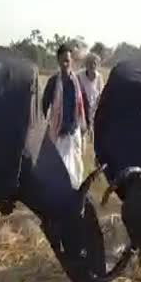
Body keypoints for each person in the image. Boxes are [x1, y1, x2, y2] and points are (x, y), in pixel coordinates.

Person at [42, 43, 90, 188]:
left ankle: (73, 195)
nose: (65, 64)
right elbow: (44, 105)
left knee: (75, 167)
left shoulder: (76, 82)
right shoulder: (53, 82)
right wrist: (42, 127)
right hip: (58, 132)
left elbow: (84, 104)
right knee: (59, 168)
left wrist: (86, 125)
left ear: (72, 61)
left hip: (73, 131)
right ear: (58, 61)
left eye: (68, 61)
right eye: (62, 61)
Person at [77, 52, 105, 140]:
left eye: (94, 63)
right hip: (81, 110)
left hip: (94, 111)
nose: (92, 65)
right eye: (90, 63)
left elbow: (101, 95)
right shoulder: (79, 76)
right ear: (86, 64)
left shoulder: (99, 78)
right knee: (81, 136)